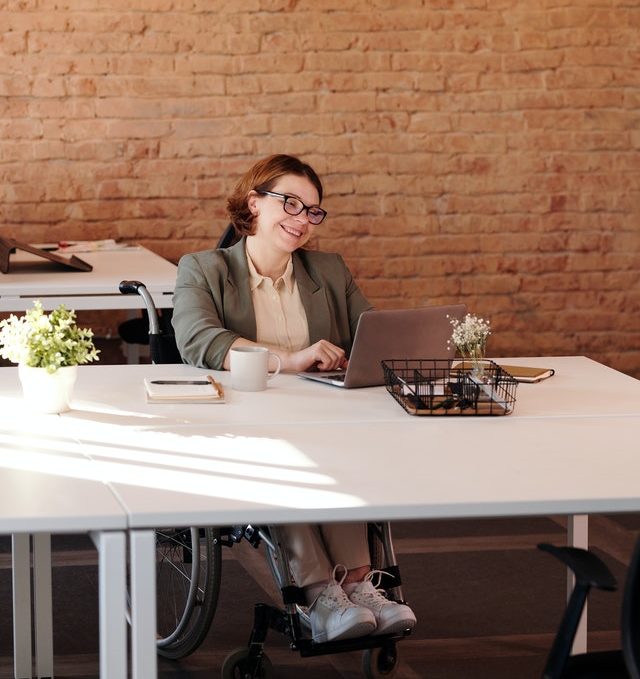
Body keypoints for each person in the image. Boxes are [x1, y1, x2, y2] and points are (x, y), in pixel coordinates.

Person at [172, 154, 416, 643]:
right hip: (245, 423)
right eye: (291, 203)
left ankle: (360, 586)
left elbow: (372, 335)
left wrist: (359, 356)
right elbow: (200, 340)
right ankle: (322, 593)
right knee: (291, 465)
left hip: (322, 420)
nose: (302, 219)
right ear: (253, 203)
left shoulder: (326, 270)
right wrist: (290, 359)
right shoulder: (204, 268)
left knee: (337, 458)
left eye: (312, 210)